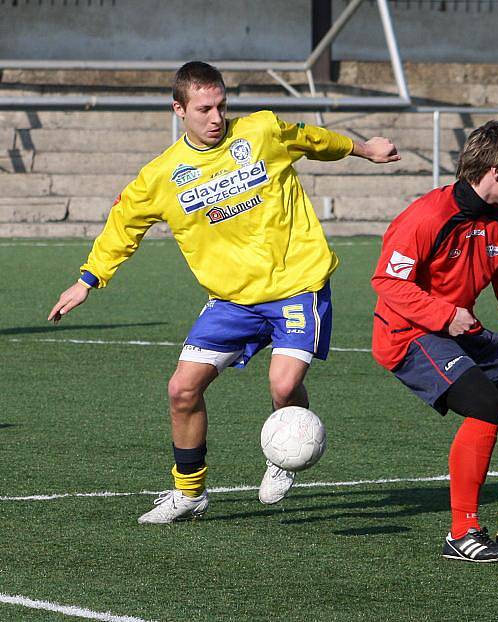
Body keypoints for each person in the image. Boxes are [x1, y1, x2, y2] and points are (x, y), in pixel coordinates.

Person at [48, 61, 399, 524]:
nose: (216, 118)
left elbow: (313, 139)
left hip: (297, 283)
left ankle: (284, 453)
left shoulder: (261, 131)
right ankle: (189, 493)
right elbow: (123, 225)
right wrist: (89, 279)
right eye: (204, 109)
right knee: (181, 389)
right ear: (179, 110)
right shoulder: (161, 175)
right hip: (232, 299)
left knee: (284, 383)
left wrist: (363, 148)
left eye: (221, 106)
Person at [370, 120, 498, 562]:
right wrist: (444, 314)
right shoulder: (427, 215)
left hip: (461, 331)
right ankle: (462, 533)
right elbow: (388, 281)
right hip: (409, 332)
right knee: (482, 402)